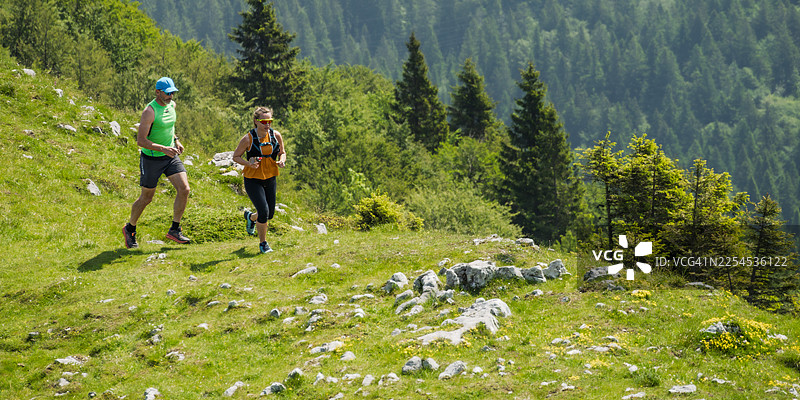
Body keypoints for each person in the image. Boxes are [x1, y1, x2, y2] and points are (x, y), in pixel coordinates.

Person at [122, 77, 191, 249]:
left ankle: (175, 229)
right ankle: (130, 228)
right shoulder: (149, 112)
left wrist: (176, 140)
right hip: (151, 158)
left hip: (170, 156)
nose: (171, 96)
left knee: (184, 189)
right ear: (157, 92)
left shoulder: (172, 106)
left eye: (173, 92)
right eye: (168, 93)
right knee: (147, 198)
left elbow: (170, 127)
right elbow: (141, 141)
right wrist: (163, 148)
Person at [232, 106, 286, 253]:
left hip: (270, 177)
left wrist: (282, 160)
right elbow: (235, 156)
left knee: (269, 214)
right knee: (264, 212)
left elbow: (282, 152)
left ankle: (251, 217)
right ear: (256, 121)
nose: (267, 124)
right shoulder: (248, 138)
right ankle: (263, 243)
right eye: (264, 121)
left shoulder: (276, 135)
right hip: (253, 179)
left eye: (269, 121)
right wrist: (248, 163)